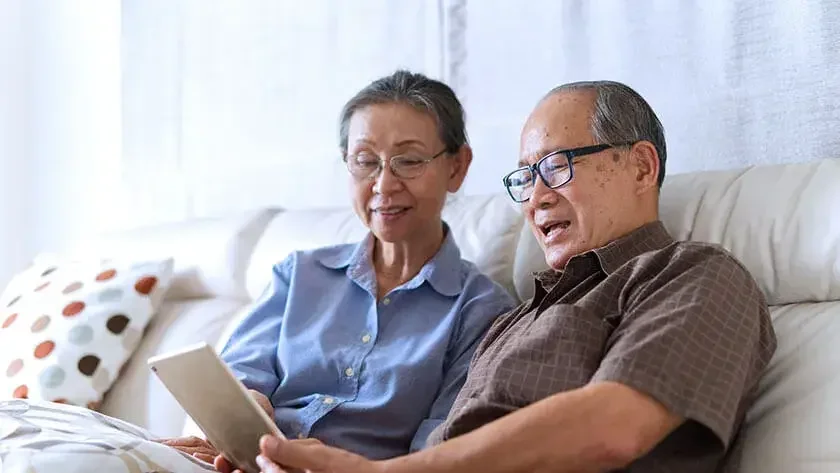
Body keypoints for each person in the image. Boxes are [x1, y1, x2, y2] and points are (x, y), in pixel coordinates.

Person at [250, 81, 778, 473]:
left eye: (556, 167)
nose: (536, 198)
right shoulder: (518, 315)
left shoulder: (693, 275)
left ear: (641, 167)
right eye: (526, 178)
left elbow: (616, 425)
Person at [160, 70, 515, 465]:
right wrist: (242, 413)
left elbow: (438, 451)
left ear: (457, 167)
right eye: (365, 161)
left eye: (409, 161)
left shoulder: (481, 310)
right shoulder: (299, 274)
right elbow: (240, 373)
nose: (383, 185)